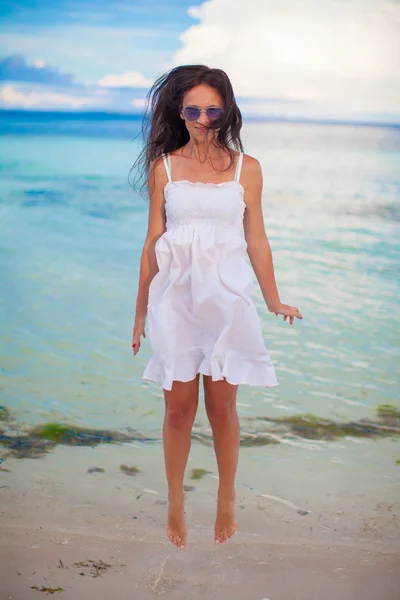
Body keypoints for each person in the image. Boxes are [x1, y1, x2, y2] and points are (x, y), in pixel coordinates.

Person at [131, 65, 302, 551]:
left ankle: (227, 497)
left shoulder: (247, 167)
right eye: (193, 110)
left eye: (212, 109)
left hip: (226, 302)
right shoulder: (163, 167)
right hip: (175, 303)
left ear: (225, 110)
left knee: (222, 409)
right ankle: (175, 502)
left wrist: (272, 299)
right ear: (179, 113)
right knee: (178, 410)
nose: (203, 118)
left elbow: (257, 240)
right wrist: (140, 311)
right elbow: (152, 243)